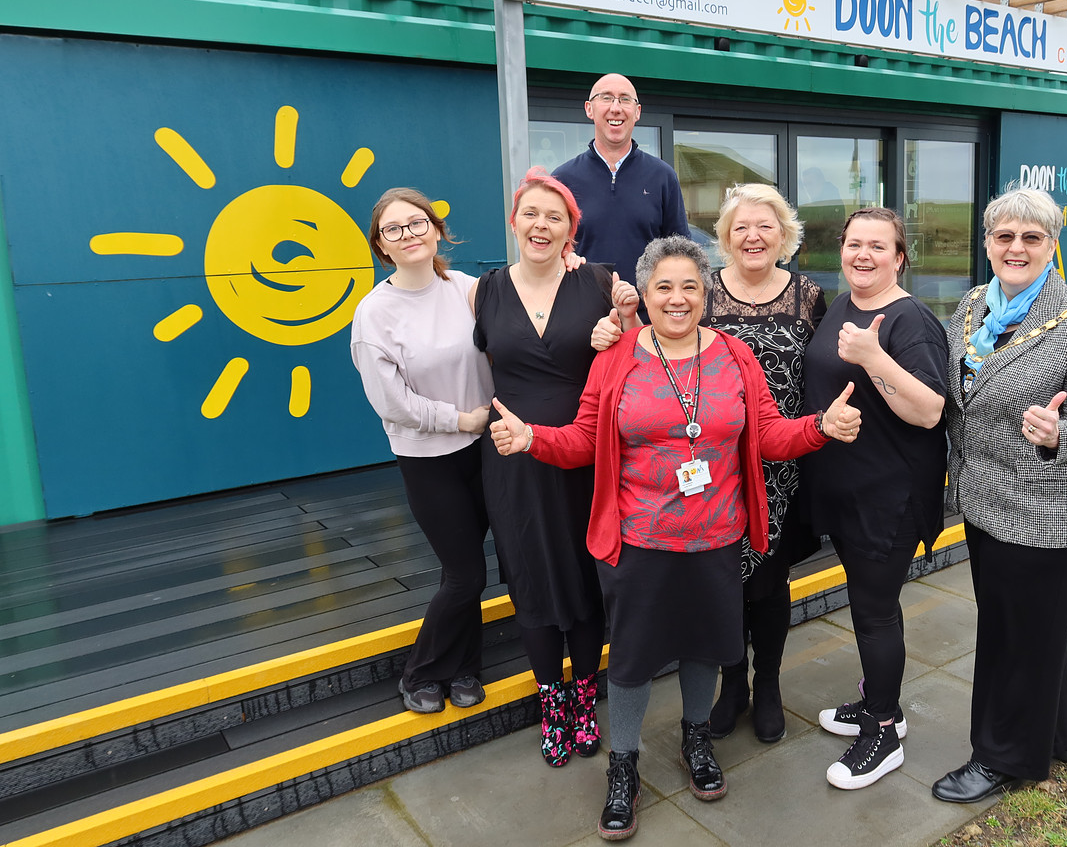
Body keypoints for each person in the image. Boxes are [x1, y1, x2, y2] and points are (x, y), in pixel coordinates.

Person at [488, 235, 862, 842]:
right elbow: (585, 439)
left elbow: (768, 435)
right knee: (632, 660)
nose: (678, 298)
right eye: (664, 286)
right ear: (647, 294)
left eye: (690, 285)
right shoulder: (615, 362)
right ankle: (624, 765)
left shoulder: (736, 357)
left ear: (704, 292)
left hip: (716, 537)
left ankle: (695, 740)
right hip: (638, 540)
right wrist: (533, 438)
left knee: (703, 647)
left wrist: (821, 427)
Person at [932, 187, 1067, 803]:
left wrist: (1058, 434)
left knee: (1016, 638)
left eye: (1031, 238)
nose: (1016, 248)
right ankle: (1055, 735)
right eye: (1004, 236)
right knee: (1030, 631)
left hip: (1051, 513)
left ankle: (1001, 758)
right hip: (988, 504)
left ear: (1051, 246)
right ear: (988, 243)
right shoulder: (970, 309)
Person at [472, 167, 640, 767]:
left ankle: (587, 691)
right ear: (514, 221)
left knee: (586, 569)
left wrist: (620, 325)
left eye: (555, 216)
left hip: (588, 451)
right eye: (531, 214)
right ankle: (552, 700)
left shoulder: (598, 282)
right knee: (530, 573)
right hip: (514, 457)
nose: (541, 225)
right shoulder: (484, 289)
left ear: (572, 228)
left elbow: (639, 353)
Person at [803, 207, 949, 791]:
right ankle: (875, 704)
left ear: (900, 256)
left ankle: (884, 728)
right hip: (843, 487)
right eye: (853, 244)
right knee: (866, 605)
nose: (862, 255)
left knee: (874, 611)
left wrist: (873, 356)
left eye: (877, 246)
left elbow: (930, 410)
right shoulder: (841, 305)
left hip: (888, 496)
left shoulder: (909, 321)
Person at [350, 188, 493, 715]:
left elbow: (525, 316)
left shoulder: (467, 289)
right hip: (429, 457)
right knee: (466, 575)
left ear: (436, 230)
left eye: (416, 223)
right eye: (394, 229)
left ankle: (466, 669)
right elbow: (391, 403)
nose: (408, 235)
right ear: (381, 246)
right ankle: (421, 671)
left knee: (461, 568)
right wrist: (460, 419)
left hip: (485, 450)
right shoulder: (375, 313)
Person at [702, 184, 826, 744]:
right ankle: (733, 684)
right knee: (722, 582)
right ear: (726, 237)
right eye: (741, 227)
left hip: (783, 465)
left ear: (785, 235)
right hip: (712, 465)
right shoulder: (699, 293)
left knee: (771, 583)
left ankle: (769, 684)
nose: (753, 236)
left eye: (765, 226)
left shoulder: (809, 297)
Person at [552, 72, 690, 282]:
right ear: (589, 109)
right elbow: (551, 251)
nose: (615, 108)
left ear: (637, 112)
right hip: (582, 311)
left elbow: (681, 253)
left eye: (625, 99)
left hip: (647, 312)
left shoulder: (663, 176)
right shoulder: (563, 179)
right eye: (606, 98)